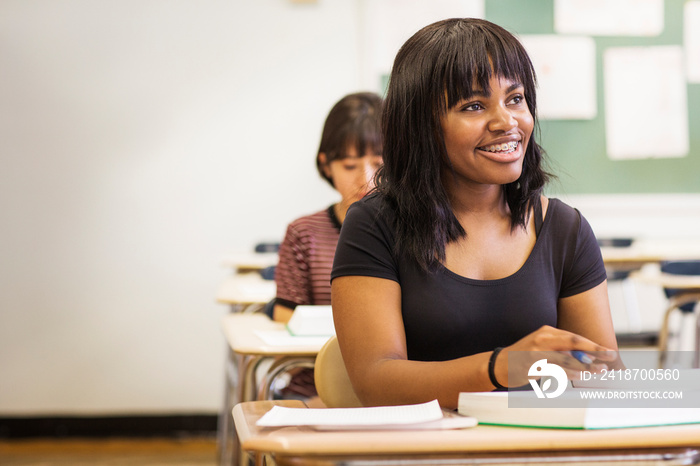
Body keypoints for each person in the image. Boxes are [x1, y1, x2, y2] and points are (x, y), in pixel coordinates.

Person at [330, 18, 619, 410]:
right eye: (474, 105)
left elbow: (605, 378)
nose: (507, 122)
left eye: (515, 98)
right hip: (422, 453)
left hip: (539, 448)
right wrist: (502, 368)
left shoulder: (565, 229)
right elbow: (376, 381)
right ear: (423, 127)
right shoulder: (375, 224)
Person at [271, 92, 383, 399]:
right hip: (314, 389)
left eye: (380, 162)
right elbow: (285, 314)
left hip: (393, 390)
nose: (367, 179)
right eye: (349, 165)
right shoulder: (304, 233)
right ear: (326, 164)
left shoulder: (414, 229)